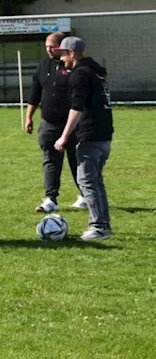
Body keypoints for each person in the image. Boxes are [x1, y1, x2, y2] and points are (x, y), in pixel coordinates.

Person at [53, 37, 114, 242]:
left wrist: (64, 136)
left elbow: (76, 108)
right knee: (95, 181)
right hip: (105, 134)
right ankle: (103, 224)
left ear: (72, 53)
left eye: (62, 54)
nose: (61, 59)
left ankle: (99, 226)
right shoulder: (96, 72)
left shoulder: (80, 74)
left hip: (91, 134)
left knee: (87, 181)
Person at [25, 31, 86, 213]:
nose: (49, 50)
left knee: (77, 160)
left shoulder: (74, 67)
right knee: (50, 160)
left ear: (62, 47)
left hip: (72, 125)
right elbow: (35, 94)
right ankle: (51, 198)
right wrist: (29, 117)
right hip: (48, 123)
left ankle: (84, 195)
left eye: (52, 46)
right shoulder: (43, 66)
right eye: (46, 46)